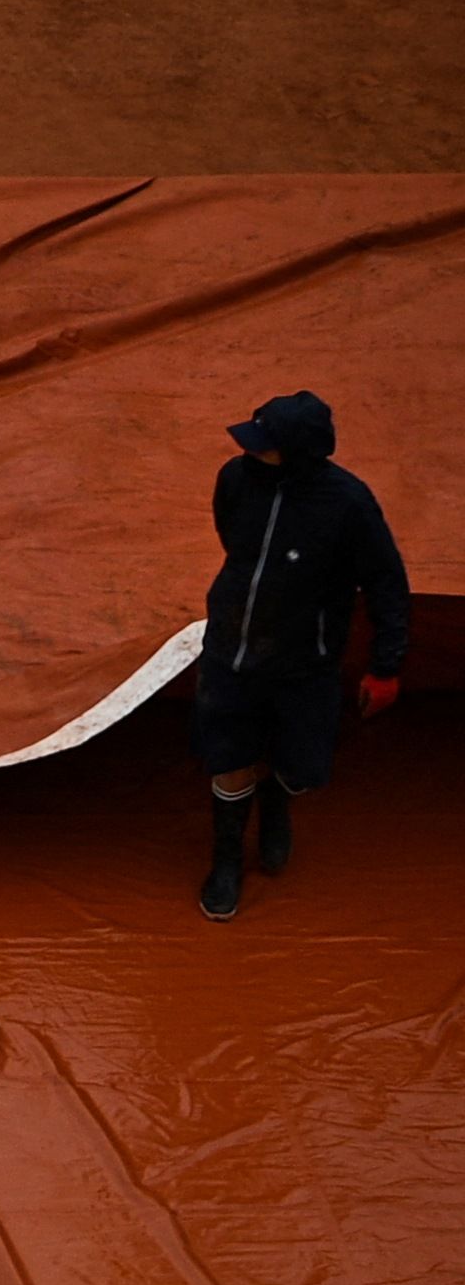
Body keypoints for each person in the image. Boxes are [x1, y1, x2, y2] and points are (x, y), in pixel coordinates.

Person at [192, 391, 409, 923]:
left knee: (302, 765)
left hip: (305, 664)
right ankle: (226, 860)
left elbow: (386, 583)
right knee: (229, 756)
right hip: (231, 652)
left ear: (298, 453)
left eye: (263, 444)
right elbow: (233, 538)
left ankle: (278, 802)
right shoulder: (235, 478)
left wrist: (386, 666)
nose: (249, 449)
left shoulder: (348, 504)